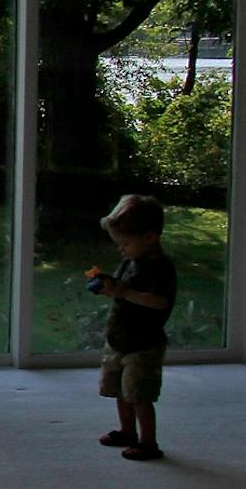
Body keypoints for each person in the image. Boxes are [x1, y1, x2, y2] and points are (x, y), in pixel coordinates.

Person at [89, 192, 177, 461]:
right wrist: (106, 285)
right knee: (120, 390)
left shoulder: (160, 268)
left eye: (126, 243)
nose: (121, 249)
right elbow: (121, 287)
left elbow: (159, 302)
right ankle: (127, 431)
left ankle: (148, 441)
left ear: (150, 237)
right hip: (119, 339)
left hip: (143, 343)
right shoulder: (130, 261)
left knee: (140, 394)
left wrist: (125, 293)